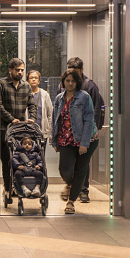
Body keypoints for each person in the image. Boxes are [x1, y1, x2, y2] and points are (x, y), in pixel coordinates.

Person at [51, 68, 95, 214]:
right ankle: (71, 184)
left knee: (80, 171)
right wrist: (55, 140)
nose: (70, 83)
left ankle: (71, 202)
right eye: (67, 80)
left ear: (77, 82)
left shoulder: (84, 97)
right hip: (66, 139)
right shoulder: (59, 98)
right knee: (64, 169)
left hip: (86, 139)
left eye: (73, 81)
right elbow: (55, 120)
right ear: (63, 82)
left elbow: (89, 120)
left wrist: (84, 143)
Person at [65, 57, 106, 203]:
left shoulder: (90, 87)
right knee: (68, 163)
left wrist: (88, 136)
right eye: (70, 72)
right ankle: (72, 186)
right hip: (69, 133)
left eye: (75, 73)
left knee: (83, 163)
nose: (72, 77)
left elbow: (94, 112)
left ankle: (83, 190)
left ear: (82, 71)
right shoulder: (63, 84)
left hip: (85, 133)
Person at [0, 58, 34, 204]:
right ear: (10, 70)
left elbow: (32, 104)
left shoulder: (26, 86)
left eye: (22, 70)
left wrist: (32, 117)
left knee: (19, 160)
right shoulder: (2, 84)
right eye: (17, 70)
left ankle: (17, 187)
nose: (20, 72)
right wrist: (11, 118)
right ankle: (8, 189)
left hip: (20, 131)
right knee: (7, 161)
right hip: (4, 129)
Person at [27, 70, 53, 143]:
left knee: (41, 153)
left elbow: (50, 114)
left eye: (36, 78)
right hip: (27, 132)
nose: (33, 79)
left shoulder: (45, 94)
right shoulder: (24, 94)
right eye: (31, 78)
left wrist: (51, 133)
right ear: (28, 80)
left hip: (41, 131)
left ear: (39, 81)